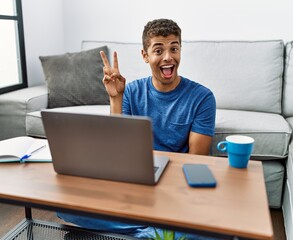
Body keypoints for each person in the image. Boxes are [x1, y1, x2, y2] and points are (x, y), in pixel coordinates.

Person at [58, 18, 216, 239]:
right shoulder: (130, 91)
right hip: (137, 184)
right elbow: (117, 148)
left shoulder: (203, 97)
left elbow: (197, 158)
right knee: (64, 206)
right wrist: (115, 98)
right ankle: (153, 232)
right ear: (145, 55)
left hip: (177, 187)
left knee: (217, 231)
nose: (168, 57)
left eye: (174, 48)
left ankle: (138, 231)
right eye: (158, 50)